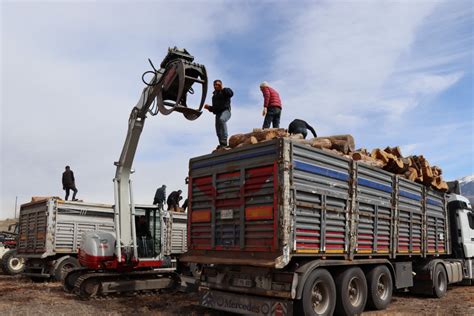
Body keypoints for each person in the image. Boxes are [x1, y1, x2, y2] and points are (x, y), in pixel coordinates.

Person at [204, 80, 234, 149]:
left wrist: (222, 88)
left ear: (221, 84)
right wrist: (209, 108)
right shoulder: (214, 96)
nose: (216, 86)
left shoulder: (225, 91)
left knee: (222, 120)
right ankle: (221, 144)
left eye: (217, 84)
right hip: (218, 113)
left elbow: (231, 94)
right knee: (218, 128)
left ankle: (224, 141)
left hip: (226, 111)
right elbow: (215, 109)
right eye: (215, 85)